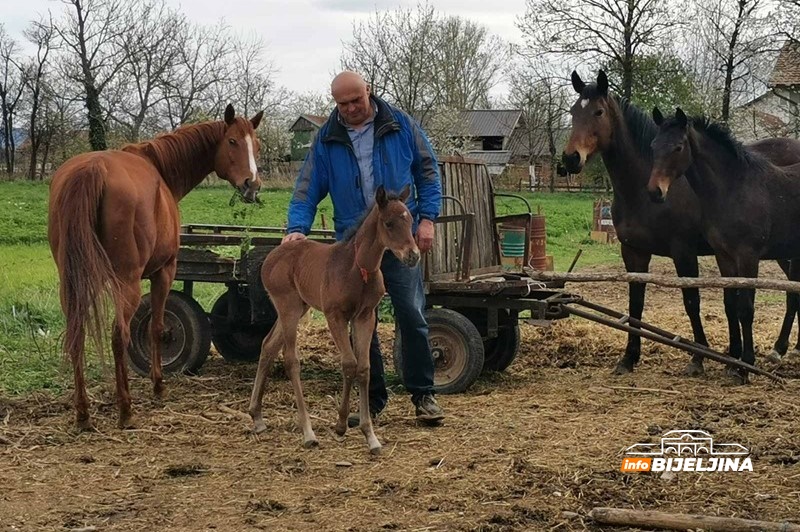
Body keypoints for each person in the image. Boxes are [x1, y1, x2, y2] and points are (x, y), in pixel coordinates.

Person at [283, 71, 445, 426]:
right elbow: (307, 187)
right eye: (342, 103)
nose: (351, 108)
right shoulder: (327, 138)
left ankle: (423, 394)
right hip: (354, 243)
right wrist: (297, 228)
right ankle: (370, 399)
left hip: (398, 235)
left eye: (356, 100)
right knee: (358, 314)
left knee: (411, 312)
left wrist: (428, 219)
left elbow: (428, 171)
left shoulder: (400, 125)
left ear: (368, 91)